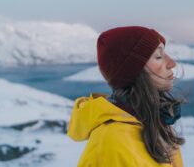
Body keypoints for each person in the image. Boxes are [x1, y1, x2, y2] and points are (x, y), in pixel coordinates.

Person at [67, 26, 186, 166]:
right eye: (158, 56)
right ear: (132, 71)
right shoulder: (111, 143)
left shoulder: (158, 122)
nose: (172, 63)